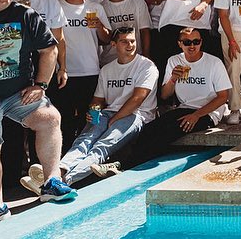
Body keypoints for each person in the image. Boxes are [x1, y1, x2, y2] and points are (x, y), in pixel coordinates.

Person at [24, 27, 157, 188]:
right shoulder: (107, 69)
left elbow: (137, 99)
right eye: (124, 41)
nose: (129, 45)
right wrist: (93, 113)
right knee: (83, 141)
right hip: (109, 113)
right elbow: (98, 99)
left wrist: (114, 120)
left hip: (136, 115)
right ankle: (54, 175)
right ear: (114, 45)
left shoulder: (147, 66)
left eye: (132, 41)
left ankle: (62, 182)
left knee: (101, 146)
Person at [0, 0, 73, 214]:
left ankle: (52, 182)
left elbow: (49, 49)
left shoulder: (25, 15)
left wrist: (41, 84)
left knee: (50, 118)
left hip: (15, 93)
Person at [132, 27, 231, 161]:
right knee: (149, 129)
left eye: (196, 42)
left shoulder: (214, 62)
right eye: (187, 42)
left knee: (169, 132)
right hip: (184, 108)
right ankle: (126, 163)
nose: (192, 46)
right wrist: (172, 79)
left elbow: (223, 97)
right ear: (179, 44)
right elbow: (165, 95)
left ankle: (134, 162)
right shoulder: (174, 61)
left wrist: (196, 115)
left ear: (201, 42)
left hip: (207, 112)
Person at [55, 0, 112, 149]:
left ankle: (89, 152)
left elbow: (108, 39)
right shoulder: (56, 6)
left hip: (91, 70)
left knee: (91, 117)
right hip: (64, 73)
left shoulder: (95, 7)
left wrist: (98, 27)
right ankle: (64, 157)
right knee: (65, 118)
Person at [95, 0, 151, 67]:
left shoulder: (138, 2)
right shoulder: (100, 7)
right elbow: (101, 39)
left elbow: (145, 31)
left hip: (135, 59)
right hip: (109, 61)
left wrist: (146, 57)